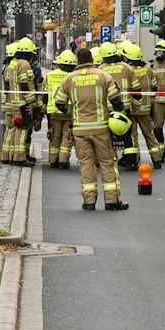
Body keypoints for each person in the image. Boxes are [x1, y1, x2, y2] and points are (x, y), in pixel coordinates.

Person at [49, 46, 126, 210]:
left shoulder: (69, 79)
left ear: (78, 61)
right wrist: (117, 116)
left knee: (86, 164)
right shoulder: (104, 76)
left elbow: (59, 103)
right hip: (101, 129)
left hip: (79, 130)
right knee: (106, 163)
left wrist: (72, 113)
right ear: (92, 60)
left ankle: (89, 201)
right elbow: (117, 102)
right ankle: (111, 201)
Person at [119, 41, 158, 169]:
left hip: (132, 108)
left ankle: (134, 161)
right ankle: (157, 159)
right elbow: (154, 84)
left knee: (133, 135)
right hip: (145, 108)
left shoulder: (128, 70)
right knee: (149, 134)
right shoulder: (148, 69)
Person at [0, 39, 38, 166]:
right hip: (23, 103)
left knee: (11, 129)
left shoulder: (12, 63)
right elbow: (25, 84)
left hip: (13, 102)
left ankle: (7, 156)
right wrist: (31, 101)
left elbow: (7, 82)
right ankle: (19, 158)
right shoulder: (25, 64)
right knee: (22, 130)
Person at [43, 49, 76, 169]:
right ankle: (63, 160)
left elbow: (45, 94)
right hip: (69, 111)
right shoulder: (74, 76)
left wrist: (44, 109)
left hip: (53, 112)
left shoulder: (50, 75)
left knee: (54, 136)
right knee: (67, 137)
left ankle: (53, 160)